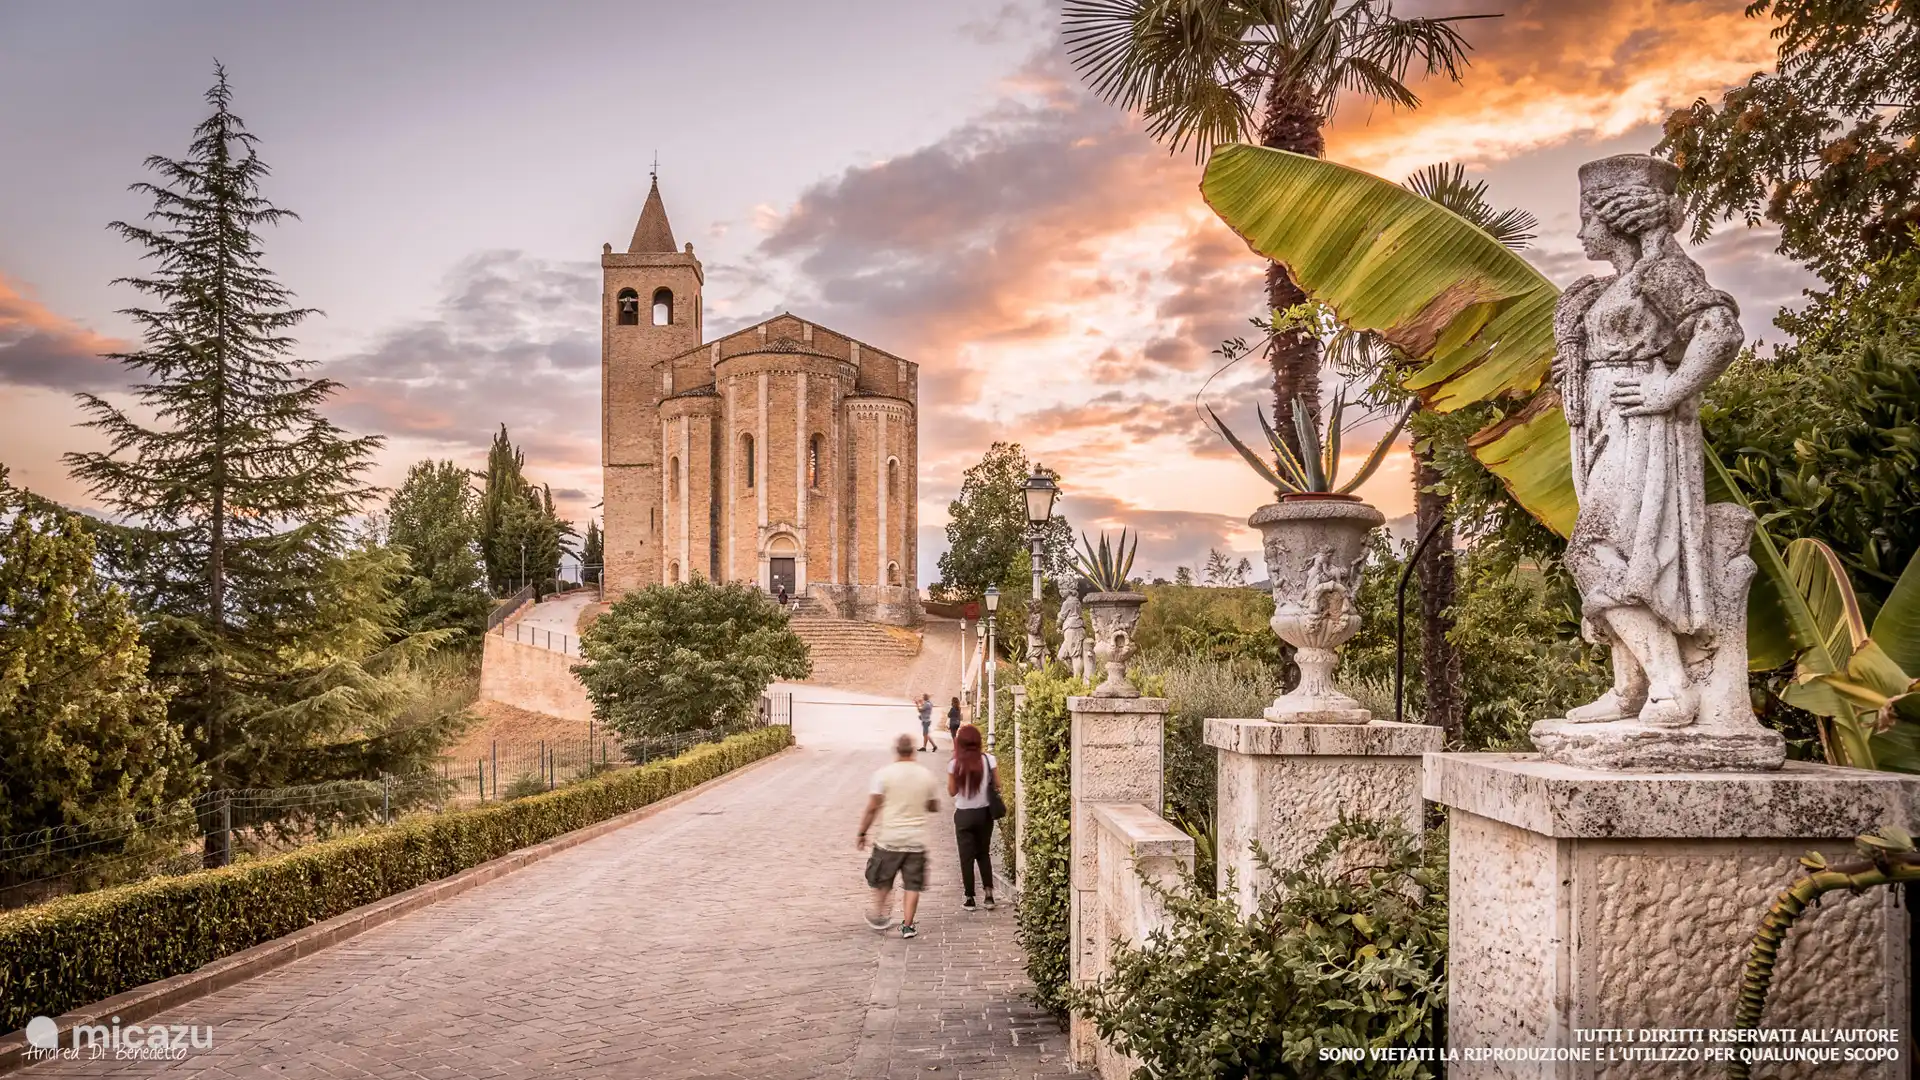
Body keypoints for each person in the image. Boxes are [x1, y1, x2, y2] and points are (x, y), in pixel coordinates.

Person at [857, 732, 940, 939]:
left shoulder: (883, 774)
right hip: (916, 840)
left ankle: (880, 915)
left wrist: (862, 832)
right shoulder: (926, 775)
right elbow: (933, 805)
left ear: (897, 751)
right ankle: (908, 925)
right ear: (913, 751)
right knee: (912, 885)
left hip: (890, 839)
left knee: (883, 879)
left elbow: (872, 807)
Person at [947, 724, 999, 911]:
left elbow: (952, 791)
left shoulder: (955, 763)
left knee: (966, 857)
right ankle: (989, 895)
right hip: (984, 814)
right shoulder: (989, 760)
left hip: (963, 814)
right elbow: (998, 785)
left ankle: (970, 898)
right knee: (983, 853)